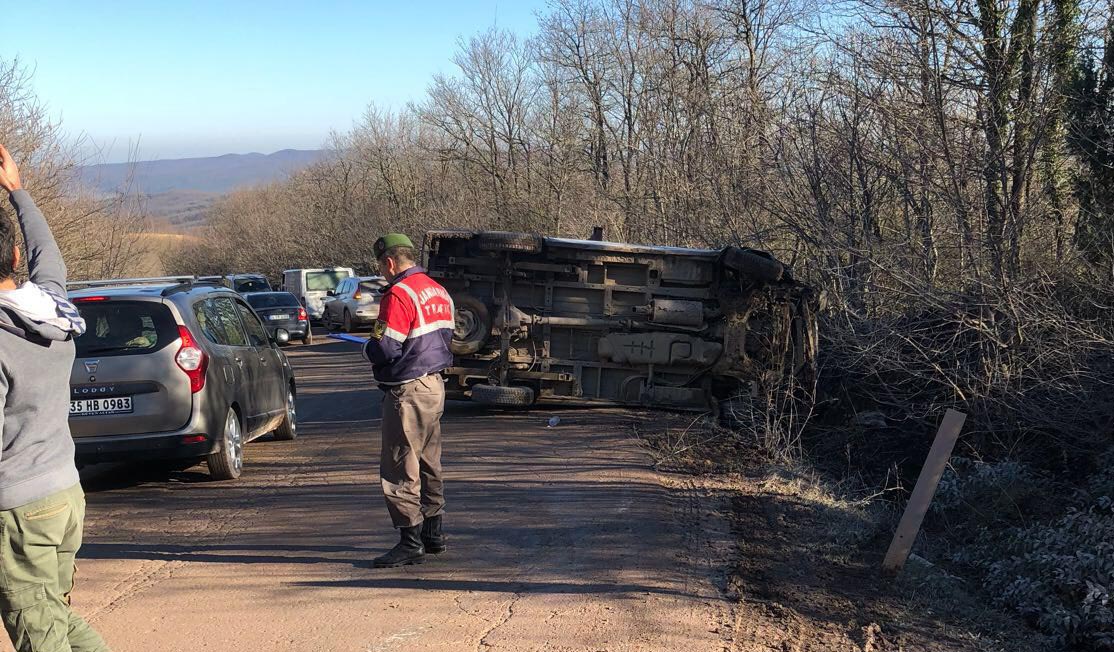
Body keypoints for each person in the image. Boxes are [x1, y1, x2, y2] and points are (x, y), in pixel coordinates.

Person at [0, 144, 110, 651]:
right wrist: (17, 190)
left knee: (39, 633)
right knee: (56, 619)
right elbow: (51, 256)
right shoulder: (51, 308)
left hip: (18, 506)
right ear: (16, 256)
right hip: (65, 493)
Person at [362, 233, 454, 568]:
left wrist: (367, 348)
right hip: (434, 385)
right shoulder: (438, 291)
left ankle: (409, 541)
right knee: (430, 462)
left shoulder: (398, 294)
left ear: (388, 262)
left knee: (401, 463)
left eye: (381, 267)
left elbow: (384, 345)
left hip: (407, 389)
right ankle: (434, 535)